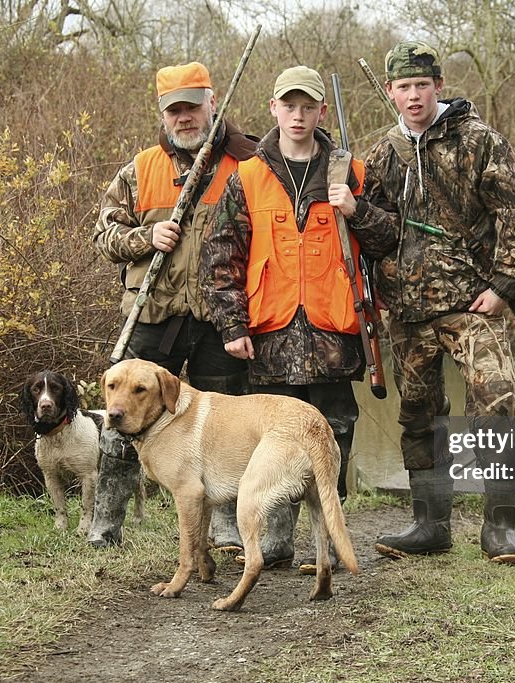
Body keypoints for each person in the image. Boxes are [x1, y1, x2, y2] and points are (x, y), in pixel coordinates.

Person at [200, 66, 396, 571]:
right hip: (272, 330)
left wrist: (357, 210)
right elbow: (222, 254)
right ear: (274, 109)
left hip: (334, 326)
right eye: (289, 105)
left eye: (308, 106)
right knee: (275, 439)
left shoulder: (351, 171)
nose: (298, 114)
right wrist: (232, 325)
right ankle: (278, 538)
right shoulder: (248, 174)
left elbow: (387, 242)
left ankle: (326, 539)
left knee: (335, 431)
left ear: (320, 112)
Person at [365, 41, 515, 564]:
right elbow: (377, 236)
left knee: (498, 402)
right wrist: (357, 215)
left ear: (438, 87)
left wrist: (506, 285)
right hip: (407, 310)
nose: (414, 95)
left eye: (423, 85)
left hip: (473, 304)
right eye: (403, 87)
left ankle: (500, 528)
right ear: (390, 92)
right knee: (419, 414)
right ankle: (430, 524)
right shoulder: (381, 154)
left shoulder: (479, 141)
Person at [89, 62, 257, 549]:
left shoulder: (247, 164)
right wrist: (147, 236)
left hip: (219, 320)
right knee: (121, 418)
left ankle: (226, 527)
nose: (184, 118)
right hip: (153, 316)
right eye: (174, 111)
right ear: (163, 115)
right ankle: (106, 525)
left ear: (212, 102)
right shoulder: (139, 171)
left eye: (192, 107)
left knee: (226, 428)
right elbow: (103, 236)